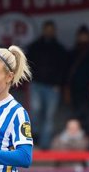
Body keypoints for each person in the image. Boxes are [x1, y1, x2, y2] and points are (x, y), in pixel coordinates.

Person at [26, 20, 68, 150]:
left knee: (49, 116)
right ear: (43, 30)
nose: (49, 32)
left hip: (53, 87)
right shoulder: (35, 46)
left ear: (54, 31)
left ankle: (45, 144)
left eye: (51, 30)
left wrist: (59, 83)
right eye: (47, 29)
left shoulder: (60, 49)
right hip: (37, 84)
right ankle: (36, 137)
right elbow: (27, 64)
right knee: (35, 111)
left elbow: (64, 68)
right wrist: (32, 79)